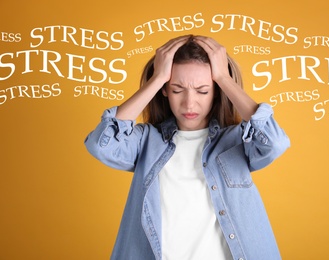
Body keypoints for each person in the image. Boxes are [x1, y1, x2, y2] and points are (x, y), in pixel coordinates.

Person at [85, 35, 290, 260]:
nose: (189, 103)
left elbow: (274, 142)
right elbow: (102, 145)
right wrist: (157, 78)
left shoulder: (237, 141)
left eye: (202, 90)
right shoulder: (145, 142)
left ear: (217, 90)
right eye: (176, 89)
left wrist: (223, 77)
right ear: (164, 90)